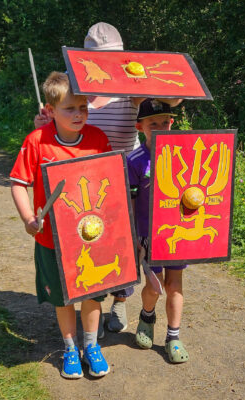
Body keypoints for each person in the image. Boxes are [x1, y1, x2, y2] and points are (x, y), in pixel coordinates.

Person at [34, 22, 182, 336]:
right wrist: (42, 123)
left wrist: (149, 83)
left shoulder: (130, 93)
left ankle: (119, 301)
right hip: (84, 183)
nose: (105, 65)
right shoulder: (75, 93)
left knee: (121, 246)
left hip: (123, 179)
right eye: (98, 59)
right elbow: (57, 125)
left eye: (111, 58)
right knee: (89, 245)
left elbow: (172, 101)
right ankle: (94, 311)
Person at [11, 71, 111, 379]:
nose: (79, 113)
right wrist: (29, 218)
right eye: (70, 108)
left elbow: (109, 183)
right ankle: (70, 347)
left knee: (93, 292)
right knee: (63, 296)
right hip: (52, 239)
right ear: (50, 111)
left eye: (83, 106)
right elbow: (18, 183)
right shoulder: (37, 141)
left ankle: (91, 346)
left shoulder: (97, 139)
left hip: (91, 237)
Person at [127, 99, 189, 363]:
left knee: (174, 285)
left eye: (165, 121)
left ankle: (173, 337)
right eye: (154, 123)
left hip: (175, 232)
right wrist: (133, 240)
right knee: (154, 287)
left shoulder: (183, 157)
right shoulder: (134, 161)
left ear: (172, 123)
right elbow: (130, 203)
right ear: (140, 126)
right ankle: (147, 315)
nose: (161, 127)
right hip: (147, 235)